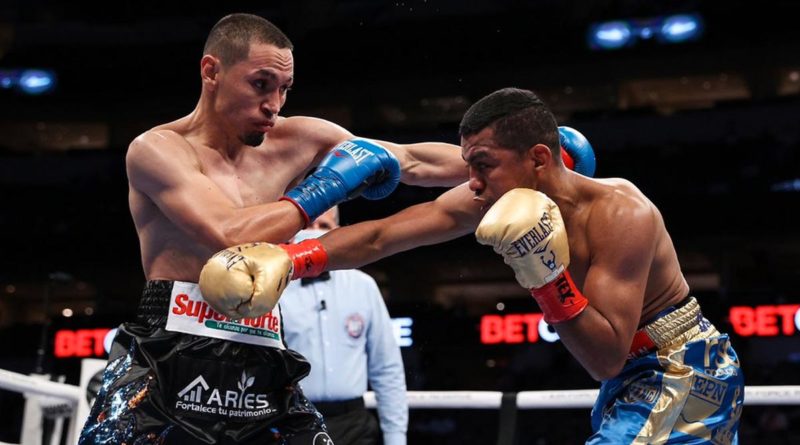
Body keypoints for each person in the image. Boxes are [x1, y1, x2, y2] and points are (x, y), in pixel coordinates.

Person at [209, 88, 744, 443]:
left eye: (484, 165)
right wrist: (289, 257)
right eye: (469, 166)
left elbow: (603, 356)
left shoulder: (622, 213)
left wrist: (545, 276)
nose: (474, 183)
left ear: (538, 157)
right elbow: (383, 235)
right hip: (632, 374)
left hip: (682, 366)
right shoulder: (488, 198)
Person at [79, 13, 467, 445]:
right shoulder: (158, 150)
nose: (274, 104)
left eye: (284, 89)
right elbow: (229, 235)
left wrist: (520, 161)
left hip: (262, 352)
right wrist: (327, 187)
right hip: (171, 349)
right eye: (261, 84)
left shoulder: (298, 139)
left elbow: (411, 161)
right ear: (212, 71)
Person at [281, 207, 408, 445]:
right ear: (292, 231)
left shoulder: (363, 286)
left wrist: (396, 437)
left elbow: (387, 368)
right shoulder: (274, 289)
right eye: (307, 225)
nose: (313, 233)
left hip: (354, 424)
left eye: (324, 226)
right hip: (293, 420)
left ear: (338, 232)